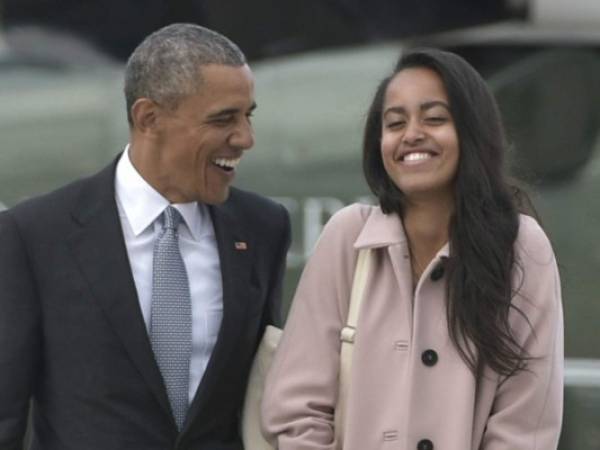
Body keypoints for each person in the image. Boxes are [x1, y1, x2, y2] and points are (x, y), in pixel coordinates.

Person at [0, 23, 290, 450]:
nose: (245, 138)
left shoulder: (263, 227)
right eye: (223, 119)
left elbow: (264, 390)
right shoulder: (35, 234)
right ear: (148, 118)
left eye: (248, 115)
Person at [261, 48, 563, 450]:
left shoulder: (521, 246)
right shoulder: (347, 236)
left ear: (472, 131)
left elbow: (527, 424)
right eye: (395, 123)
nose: (411, 134)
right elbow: (296, 409)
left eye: (435, 118)